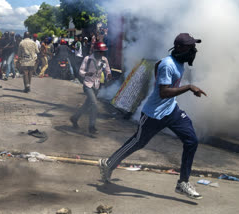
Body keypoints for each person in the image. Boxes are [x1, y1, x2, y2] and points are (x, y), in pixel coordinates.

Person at [98, 33, 207, 200]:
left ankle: (182, 183)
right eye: (190, 47)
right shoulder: (167, 64)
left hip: (172, 111)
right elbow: (164, 92)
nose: (193, 50)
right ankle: (108, 163)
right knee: (138, 142)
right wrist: (189, 87)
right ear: (179, 48)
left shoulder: (178, 62)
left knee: (191, 140)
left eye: (193, 46)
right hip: (154, 114)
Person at [70, 42, 112, 134]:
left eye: (103, 52)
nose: (101, 54)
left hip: (96, 85)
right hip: (87, 84)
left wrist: (109, 75)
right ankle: (92, 126)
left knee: (86, 105)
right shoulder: (88, 59)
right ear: (95, 51)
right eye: (100, 52)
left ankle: (74, 118)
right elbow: (81, 71)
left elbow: (108, 69)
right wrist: (86, 74)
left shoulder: (104, 60)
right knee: (94, 104)